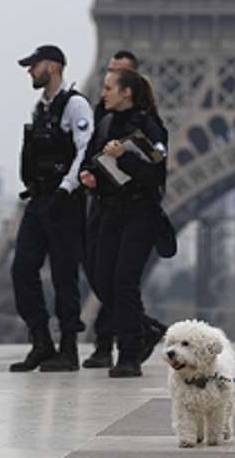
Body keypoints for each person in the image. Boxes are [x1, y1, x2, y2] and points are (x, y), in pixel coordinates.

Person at [79, 67, 168, 377]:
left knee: (124, 283)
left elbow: (156, 175)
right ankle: (146, 329)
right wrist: (91, 178)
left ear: (126, 92)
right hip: (109, 211)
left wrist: (124, 157)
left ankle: (129, 354)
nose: (103, 94)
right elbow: (96, 164)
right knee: (103, 280)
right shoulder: (104, 124)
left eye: (108, 88)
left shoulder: (150, 126)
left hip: (139, 213)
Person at [10, 45, 94, 372]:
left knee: (64, 274)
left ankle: (69, 348)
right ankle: (41, 340)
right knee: (22, 267)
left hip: (63, 200)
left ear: (53, 67)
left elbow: (84, 151)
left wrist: (66, 189)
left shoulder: (75, 105)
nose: (30, 71)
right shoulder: (40, 107)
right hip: (39, 198)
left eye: (34, 65)